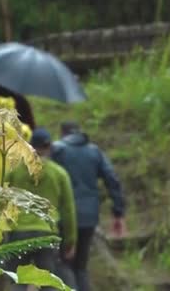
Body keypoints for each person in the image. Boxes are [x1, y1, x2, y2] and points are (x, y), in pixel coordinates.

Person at [51, 121, 127, 291]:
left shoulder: (57, 150)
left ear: (62, 133)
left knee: (63, 264)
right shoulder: (95, 151)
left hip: (64, 216)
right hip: (89, 217)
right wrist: (118, 213)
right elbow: (112, 180)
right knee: (81, 267)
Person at [4, 128, 78, 291]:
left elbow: (3, 201)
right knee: (48, 280)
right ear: (49, 147)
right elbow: (68, 209)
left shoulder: (15, 172)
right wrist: (70, 240)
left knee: (17, 280)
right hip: (47, 233)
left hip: (19, 232)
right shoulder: (59, 173)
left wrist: (3, 231)